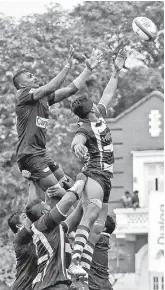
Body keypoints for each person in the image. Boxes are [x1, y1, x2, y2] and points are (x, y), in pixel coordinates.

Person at [14, 46, 103, 200]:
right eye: (29, 77)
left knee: (69, 184)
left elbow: (70, 89)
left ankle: (81, 214)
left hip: (41, 154)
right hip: (29, 155)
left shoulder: (43, 98)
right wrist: (67, 66)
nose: (34, 77)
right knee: (60, 195)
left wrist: (88, 69)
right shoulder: (22, 94)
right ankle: (48, 223)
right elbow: (52, 86)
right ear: (22, 84)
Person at [68, 49, 128, 276]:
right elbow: (78, 139)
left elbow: (108, 94)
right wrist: (77, 146)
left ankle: (82, 264)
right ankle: (74, 261)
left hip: (106, 179)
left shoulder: (98, 114)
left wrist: (116, 71)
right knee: (90, 214)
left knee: (98, 227)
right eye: (94, 103)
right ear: (90, 109)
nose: (97, 103)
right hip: (94, 175)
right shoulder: (85, 127)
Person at [25, 176, 87, 290]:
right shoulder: (42, 225)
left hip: (52, 285)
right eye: (47, 205)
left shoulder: (57, 229)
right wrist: (81, 180)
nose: (50, 204)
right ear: (45, 212)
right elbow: (68, 200)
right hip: (51, 285)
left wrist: (85, 194)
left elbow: (78, 214)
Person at [8, 211, 37, 290]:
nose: (29, 217)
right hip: (22, 287)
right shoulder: (18, 238)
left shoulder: (33, 238)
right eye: (25, 217)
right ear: (19, 226)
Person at [87, 215, 116, 290]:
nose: (93, 224)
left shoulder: (99, 238)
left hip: (96, 286)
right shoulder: (104, 240)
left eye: (96, 222)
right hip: (102, 285)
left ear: (103, 228)